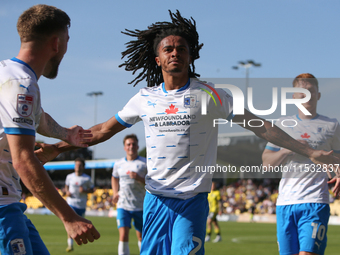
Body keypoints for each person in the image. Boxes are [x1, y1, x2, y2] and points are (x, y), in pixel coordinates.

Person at [35, 11, 340, 255]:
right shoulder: (144, 98)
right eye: (168, 49)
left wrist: (312, 151)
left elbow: (263, 127)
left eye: (181, 49)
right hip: (154, 201)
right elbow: (101, 131)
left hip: (191, 201)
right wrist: (58, 148)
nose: (175, 53)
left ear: (191, 56)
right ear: (158, 59)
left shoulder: (211, 95)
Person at [0, 5, 100, 255]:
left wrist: (66, 134)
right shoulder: (22, 86)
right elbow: (23, 160)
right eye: (67, 40)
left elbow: (38, 118)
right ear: (57, 43)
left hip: (12, 204)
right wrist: (69, 217)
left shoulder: (9, 75)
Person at [262, 73, 340, 255]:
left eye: (311, 91)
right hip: (285, 204)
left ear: (318, 95)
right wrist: (287, 149)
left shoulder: (332, 126)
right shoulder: (281, 125)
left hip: (315, 201)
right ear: (293, 96)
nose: (307, 95)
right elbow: (266, 164)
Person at [111, 134, 147, 255]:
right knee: (123, 235)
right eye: (128, 144)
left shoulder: (145, 163)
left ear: (137, 146)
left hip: (140, 205)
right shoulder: (118, 164)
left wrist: (140, 178)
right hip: (123, 205)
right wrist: (115, 192)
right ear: (124, 147)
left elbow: (152, 182)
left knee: (141, 237)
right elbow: (114, 177)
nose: (131, 146)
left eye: (133, 144)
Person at [65, 158, 94, 252]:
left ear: (83, 167)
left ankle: (80, 238)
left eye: (79, 165)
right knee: (69, 222)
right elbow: (66, 187)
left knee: (80, 224)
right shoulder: (69, 177)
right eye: (76, 165)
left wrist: (85, 191)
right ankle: (70, 245)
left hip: (81, 205)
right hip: (71, 203)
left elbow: (93, 189)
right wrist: (67, 192)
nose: (77, 166)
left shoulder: (87, 178)